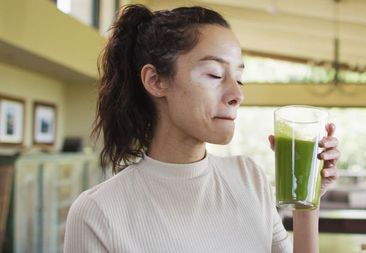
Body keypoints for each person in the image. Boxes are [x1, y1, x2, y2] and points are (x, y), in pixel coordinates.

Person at [64, 4, 340, 253]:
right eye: (215, 75)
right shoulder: (97, 213)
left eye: (240, 78)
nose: (237, 94)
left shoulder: (250, 178)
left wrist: (308, 199)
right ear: (156, 81)